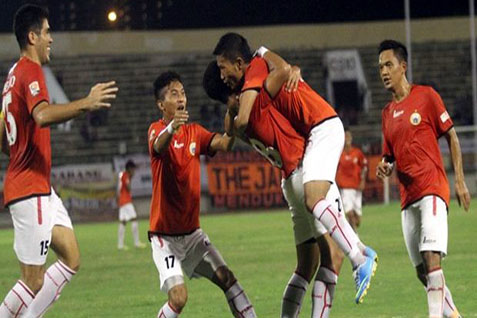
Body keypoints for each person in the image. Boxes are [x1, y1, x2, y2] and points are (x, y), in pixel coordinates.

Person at [213, 32, 378, 304]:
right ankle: (359, 253)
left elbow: (237, 125)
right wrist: (279, 62)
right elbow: (284, 71)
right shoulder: (254, 89)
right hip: (304, 153)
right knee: (324, 257)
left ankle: (359, 256)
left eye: (223, 68)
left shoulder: (254, 79)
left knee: (313, 260)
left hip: (313, 140)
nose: (223, 74)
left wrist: (271, 58)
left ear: (240, 63)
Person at [0, 4, 118, 318]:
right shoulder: (30, 70)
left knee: (71, 257)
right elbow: (41, 115)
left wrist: (18, 149)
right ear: (32, 36)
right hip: (30, 190)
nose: (51, 39)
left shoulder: (12, 76)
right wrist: (87, 103)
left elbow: (3, 136)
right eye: (47, 32)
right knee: (33, 280)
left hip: (39, 187)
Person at [203, 60, 345, 317]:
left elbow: (230, 129)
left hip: (288, 181)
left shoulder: (233, 121)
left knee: (306, 265)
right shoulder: (255, 104)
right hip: (305, 170)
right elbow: (280, 72)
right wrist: (291, 69)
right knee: (334, 255)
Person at [147, 71, 256, 318]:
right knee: (179, 298)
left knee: (228, 278)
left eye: (183, 92)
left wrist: (231, 111)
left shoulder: (195, 132)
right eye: (174, 94)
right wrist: (172, 127)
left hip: (193, 236)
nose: (181, 97)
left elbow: (225, 143)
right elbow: (158, 146)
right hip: (165, 238)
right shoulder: (156, 130)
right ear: (161, 104)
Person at [376, 39, 470, 318]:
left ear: (403, 67)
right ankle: (454, 315)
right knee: (421, 271)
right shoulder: (387, 113)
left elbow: (451, 136)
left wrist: (460, 181)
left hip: (432, 189)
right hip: (407, 198)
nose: (383, 71)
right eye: (380, 66)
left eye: (388, 65)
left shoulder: (426, 96)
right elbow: (388, 155)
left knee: (432, 260)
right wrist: (385, 165)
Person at [336, 129, 368, 232]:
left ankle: (353, 230)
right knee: (349, 212)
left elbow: (364, 167)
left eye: (348, 136)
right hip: (345, 188)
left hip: (356, 187)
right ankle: (354, 236)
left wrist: (362, 181)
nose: (347, 139)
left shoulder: (357, 153)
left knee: (357, 219)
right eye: (345, 136)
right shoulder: (339, 154)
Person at [117, 159, 146, 250]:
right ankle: (137, 243)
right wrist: (130, 178)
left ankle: (120, 245)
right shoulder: (125, 176)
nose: (134, 171)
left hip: (122, 201)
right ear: (129, 168)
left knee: (123, 222)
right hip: (126, 201)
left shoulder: (122, 175)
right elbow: (128, 188)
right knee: (134, 218)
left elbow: (119, 188)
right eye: (133, 169)